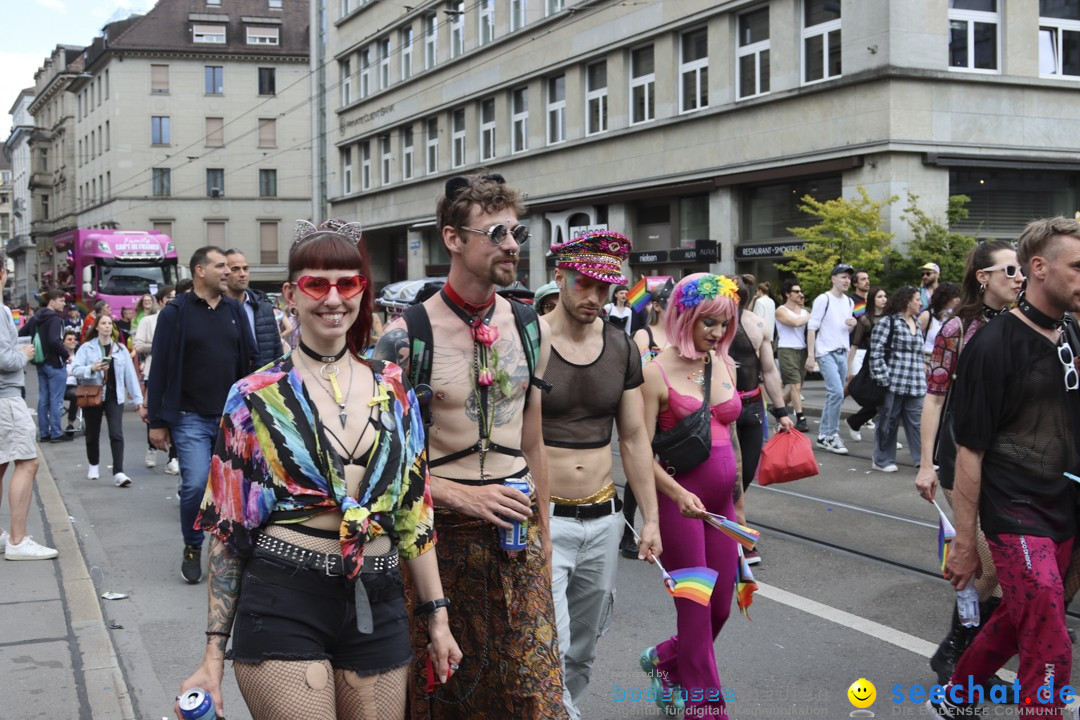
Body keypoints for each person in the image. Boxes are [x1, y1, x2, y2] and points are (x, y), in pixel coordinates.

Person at [176, 220, 461, 720]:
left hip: (378, 598)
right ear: (291, 293)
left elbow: (416, 515)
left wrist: (438, 618)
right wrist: (211, 657)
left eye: (347, 283)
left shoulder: (394, 387)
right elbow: (228, 531)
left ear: (361, 290)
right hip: (285, 598)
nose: (334, 299)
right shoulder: (254, 396)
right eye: (316, 284)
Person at [373, 172, 566, 720]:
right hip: (435, 540)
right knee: (441, 691)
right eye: (496, 233)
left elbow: (534, 441)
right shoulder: (406, 338)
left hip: (516, 535)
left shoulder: (532, 328)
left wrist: (545, 535)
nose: (511, 245)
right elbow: (375, 465)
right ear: (453, 239)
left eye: (516, 233)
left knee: (534, 694)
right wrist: (459, 495)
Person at [930, 218, 1080, 720]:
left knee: (1024, 619)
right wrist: (967, 542)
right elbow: (968, 452)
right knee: (1052, 644)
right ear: (1039, 268)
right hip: (1016, 510)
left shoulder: (1071, 332)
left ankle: (956, 697)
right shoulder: (991, 347)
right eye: (1077, 267)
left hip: (1068, 507)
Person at [542, 231, 662, 720]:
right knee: (549, 639)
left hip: (603, 520)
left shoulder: (621, 348)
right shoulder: (528, 340)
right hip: (542, 519)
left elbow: (634, 439)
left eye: (603, 287)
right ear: (559, 277)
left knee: (582, 648)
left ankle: (563, 707)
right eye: (583, 284)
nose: (593, 297)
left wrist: (649, 519)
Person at [915, 240, 1022, 686]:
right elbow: (935, 398)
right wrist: (925, 464)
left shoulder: (1025, 322)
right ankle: (954, 652)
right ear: (984, 276)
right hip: (964, 453)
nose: (1020, 277)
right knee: (988, 563)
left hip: (1013, 457)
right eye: (1011, 269)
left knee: (999, 568)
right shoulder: (957, 328)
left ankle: (970, 659)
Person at [639, 273, 742, 718]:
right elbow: (638, 451)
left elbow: (730, 436)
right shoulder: (653, 371)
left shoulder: (724, 363)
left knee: (721, 607)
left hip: (721, 508)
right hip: (679, 505)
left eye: (725, 325)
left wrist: (739, 501)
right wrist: (676, 494)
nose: (718, 334)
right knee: (696, 609)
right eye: (709, 324)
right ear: (685, 317)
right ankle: (707, 708)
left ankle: (665, 659)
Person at [147, 247, 256, 583]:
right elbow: (161, 367)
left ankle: (225, 549)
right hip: (189, 417)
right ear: (200, 271)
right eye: (220, 266)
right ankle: (193, 545)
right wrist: (157, 422)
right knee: (195, 485)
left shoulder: (235, 311)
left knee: (231, 490)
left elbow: (251, 360)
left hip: (231, 418)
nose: (228, 272)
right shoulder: (176, 312)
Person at [730, 277, 795, 564]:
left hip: (753, 405)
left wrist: (781, 412)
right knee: (729, 475)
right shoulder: (709, 324)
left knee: (744, 475)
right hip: (722, 410)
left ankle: (726, 523)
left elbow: (769, 370)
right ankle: (739, 536)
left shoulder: (757, 324)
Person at [0, 252, 59, 560]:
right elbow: (4, 359)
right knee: (27, 462)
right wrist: (24, 352)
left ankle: (8, 538)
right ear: (2, 274)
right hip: (5, 398)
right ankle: (18, 540)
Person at [622, 279, 674, 557]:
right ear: (656, 306)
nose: (673, 310)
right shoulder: (644, 335)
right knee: (641, 465)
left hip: (673, 412)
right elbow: (640, 373)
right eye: (669, 305)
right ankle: (629, 530)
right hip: (646, 407)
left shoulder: (679, 336)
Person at [72, 314, 143, 487]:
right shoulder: (86, 348)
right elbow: (75, 370)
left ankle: (118, 472)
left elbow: (130, 376)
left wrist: (138, 400)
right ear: (96, 327)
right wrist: (92, 368)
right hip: (94, 394)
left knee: (116, 433)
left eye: (109, 324)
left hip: (114, 396)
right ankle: (93, 464)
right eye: (103, 323)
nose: (106, 326)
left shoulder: (120, 349)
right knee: (92, 433)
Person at [868, 286, 925, 472]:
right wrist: (884, 380)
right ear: (907, 301)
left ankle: (923, 460)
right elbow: (875, 352)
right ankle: (881, 460)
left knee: (919, 423)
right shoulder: (888, 322)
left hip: (916, 384)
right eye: (917, 299)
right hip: (893, 383)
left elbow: (919, 354)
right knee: (888, 422)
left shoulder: (917, 322)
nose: (921, 303)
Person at [805, 264, 856, 454]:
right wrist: (811, 355)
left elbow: (843, 327)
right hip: (826, 352)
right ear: (833, 278)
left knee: (834, 395)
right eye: (843, 277)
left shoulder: (849, 302)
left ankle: (823, 436)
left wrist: (853, 323)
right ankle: (832, 434)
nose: (846, 281)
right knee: (836, 393)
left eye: (849, 278)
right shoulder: (823, 299)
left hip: (842, 352)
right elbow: (812, 327)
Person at [133, 285, 178, 475]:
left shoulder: (182, 319)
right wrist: (159, 346)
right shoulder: (149, 321)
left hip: (175, 372)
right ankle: (151, 447)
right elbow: (138, 345)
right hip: (154, 370)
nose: (172, 300)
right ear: (161, 301)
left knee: (175, 413)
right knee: (153, 410)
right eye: (169, 298)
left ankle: (173, 457)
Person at [19, 289, 71, 443]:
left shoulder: (36, 317)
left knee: (44, 399)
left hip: (40, 362)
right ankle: (56, 433)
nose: (64, 303)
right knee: (56, 399)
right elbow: (55, 341)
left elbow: (22, 333)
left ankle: (44, 433)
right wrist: (65, 355)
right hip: (55, 363)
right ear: (52, 301)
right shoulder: (55, 319)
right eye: (61, 300)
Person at [224, 249, 285, 366]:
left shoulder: (265, 309)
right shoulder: (216, 310)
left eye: (245, 268)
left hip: (263, 380)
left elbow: (277, 354)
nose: (242, 273)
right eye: (235, 269)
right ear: (224, 273)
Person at [846, 286, 888, 442]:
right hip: (872, 362)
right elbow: (855, 344)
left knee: (886, 400)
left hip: (889, 361)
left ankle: (856, 422)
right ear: (872, 300)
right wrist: (849, 367)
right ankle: (855, 421)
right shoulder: (865, 319)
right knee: (879, 398)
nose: (884, 299)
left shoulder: (890, 318)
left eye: (885, 296)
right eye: (880, 296)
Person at [775, 279, 810, 433]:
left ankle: (778, 408)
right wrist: (811, 315)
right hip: (786, 350)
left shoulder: (804, 312)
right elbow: (794, 323)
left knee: (798, 386)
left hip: (802, 351)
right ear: (787, 294)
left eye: (800, 291)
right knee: (795, 385)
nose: (800, 294)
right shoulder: (780, 310)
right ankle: (801, 418)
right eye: (796, 291)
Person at [918, 281, 961, 366]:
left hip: (947, 363)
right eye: (955, 296)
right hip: (927, 362)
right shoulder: (927, 315)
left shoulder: (956, 317)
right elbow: (913, 340)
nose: (958, 300)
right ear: (945, 298)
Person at [62, 330, 81, 435]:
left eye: (74, 339)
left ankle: (70, 423)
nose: (73, 341)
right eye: (69, 339)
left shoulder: (79, 355)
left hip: (74, 385)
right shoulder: (59, 354)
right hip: (60, 384)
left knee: (76, 394)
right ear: (63, 342)